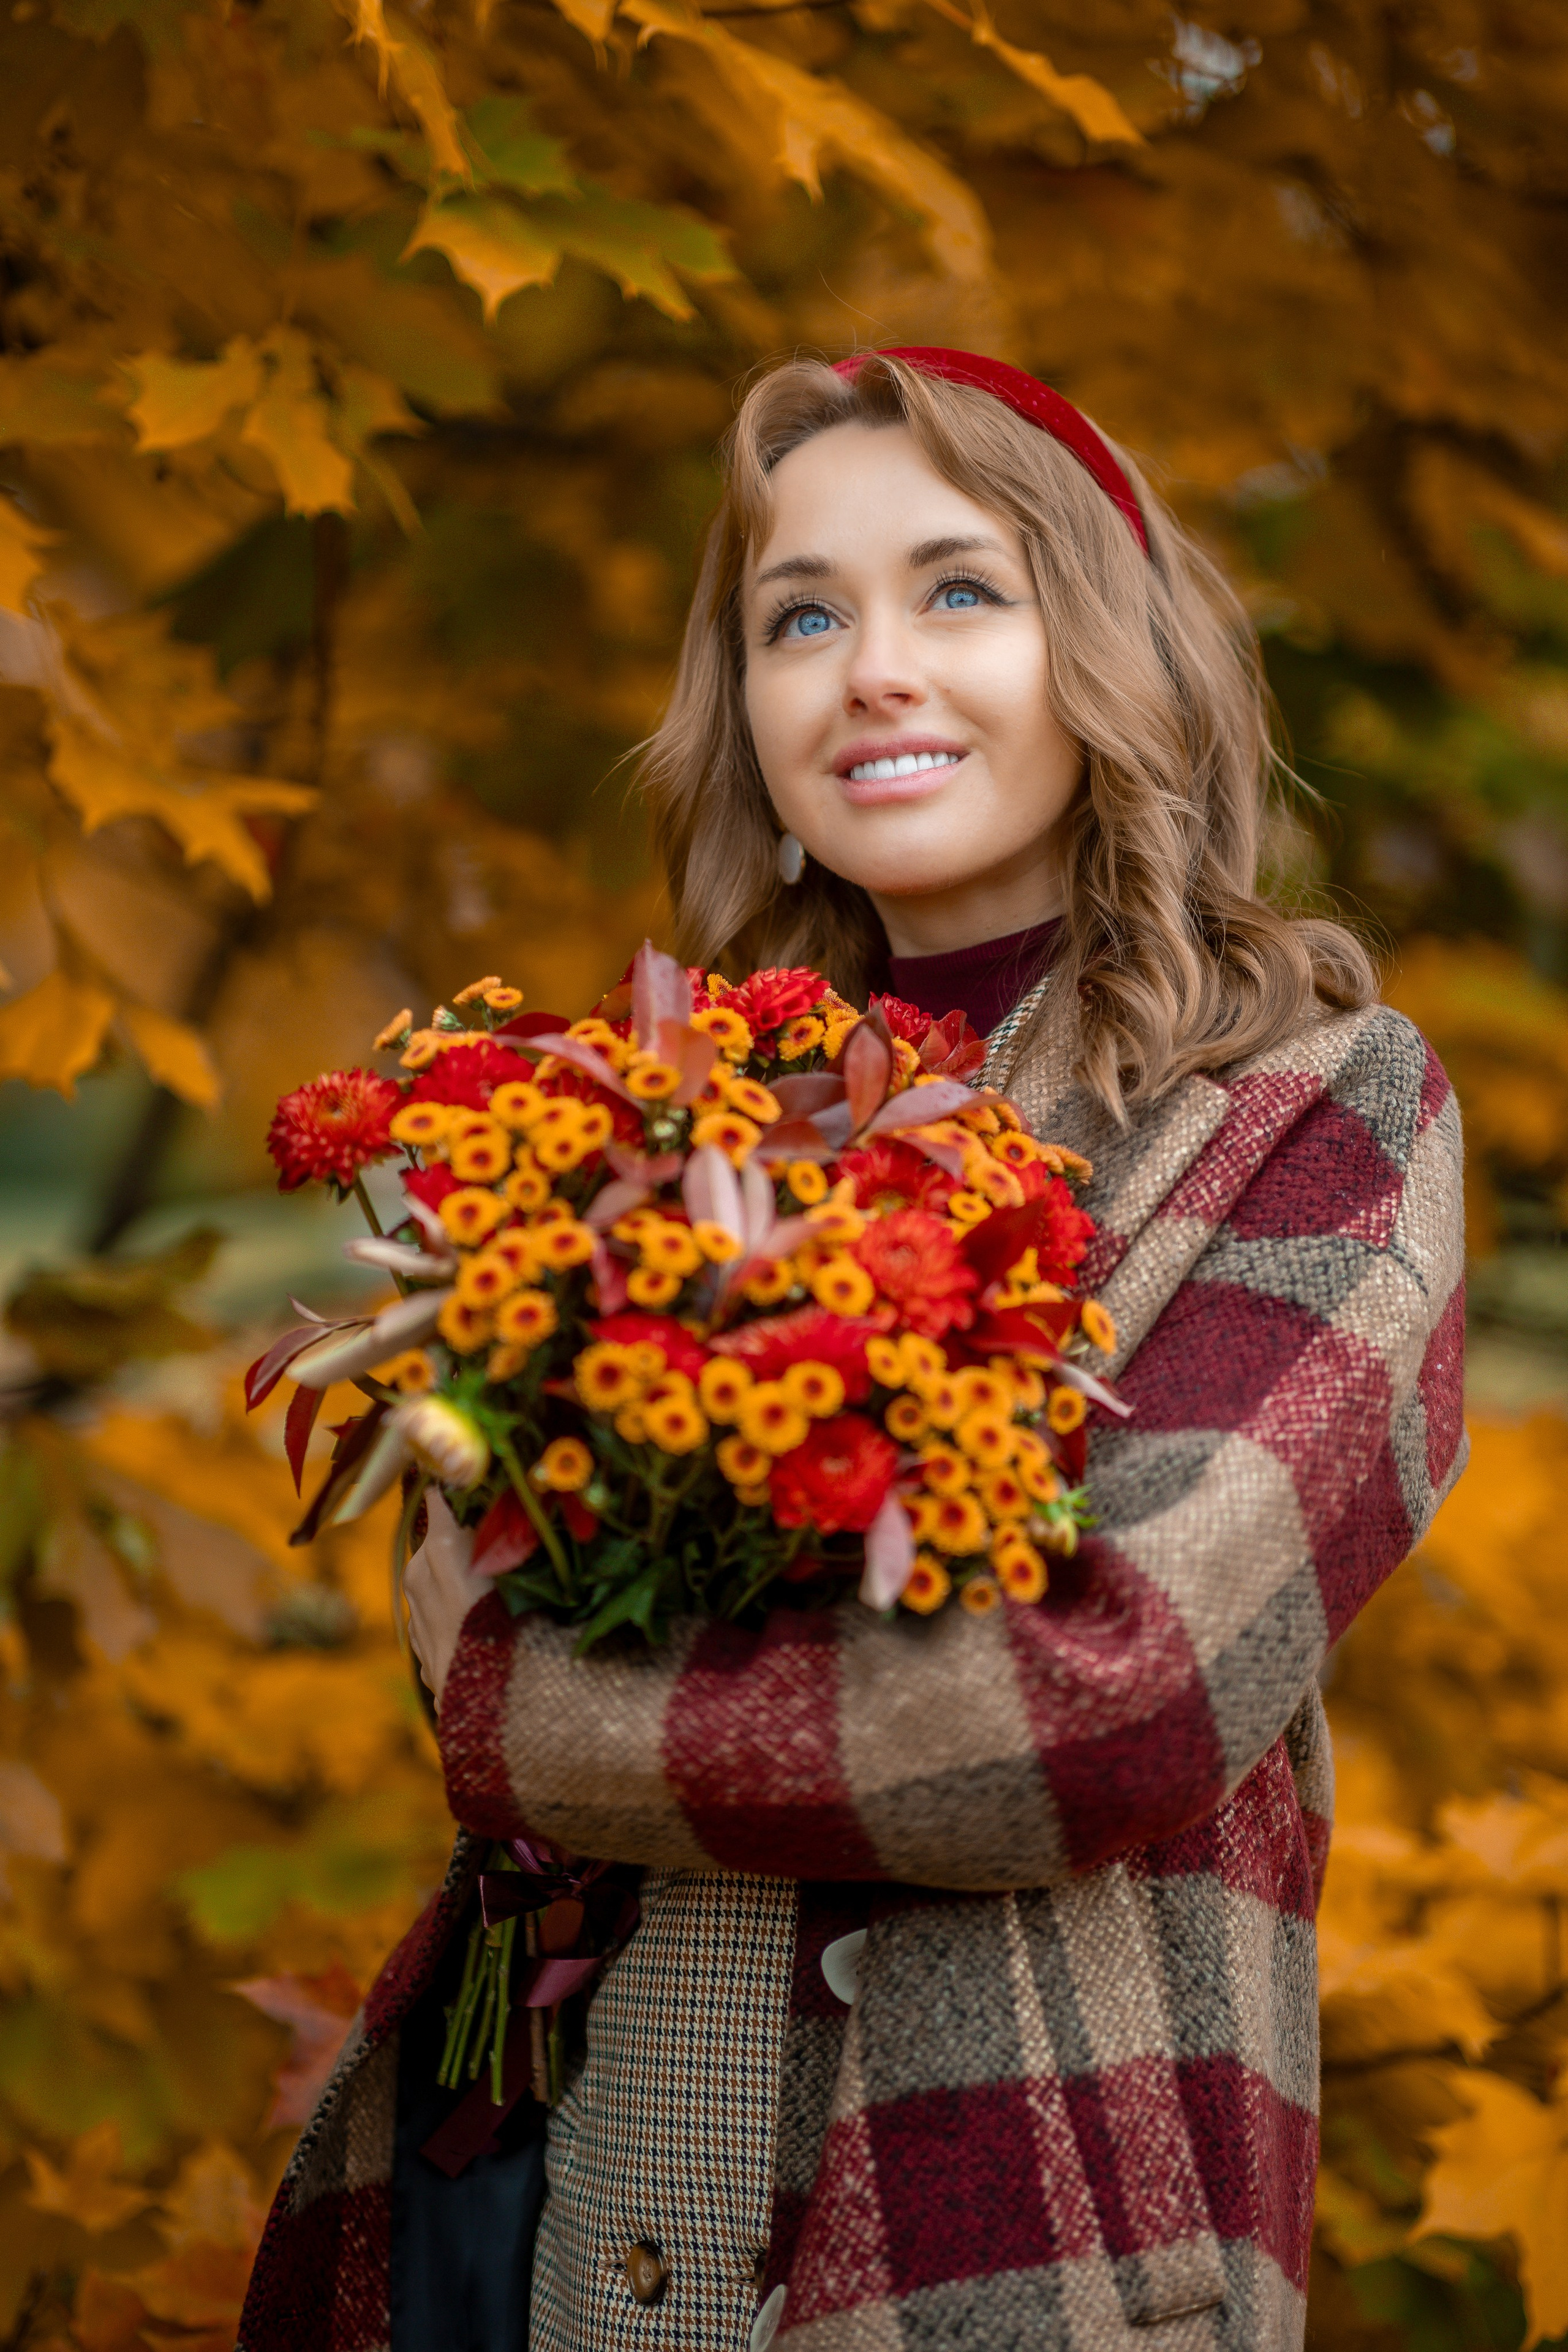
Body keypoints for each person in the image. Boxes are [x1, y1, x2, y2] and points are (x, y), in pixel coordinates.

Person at [236, 349, 1466, 2352]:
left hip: (1014, 2231)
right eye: (800, 619)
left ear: (1115, 653)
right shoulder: (655, 1107)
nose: (872, 671)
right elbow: (457, 1561)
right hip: (582, 2198)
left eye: (959, 591)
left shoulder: (1308, 1111)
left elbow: (1111, 1704)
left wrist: (523, 1713)